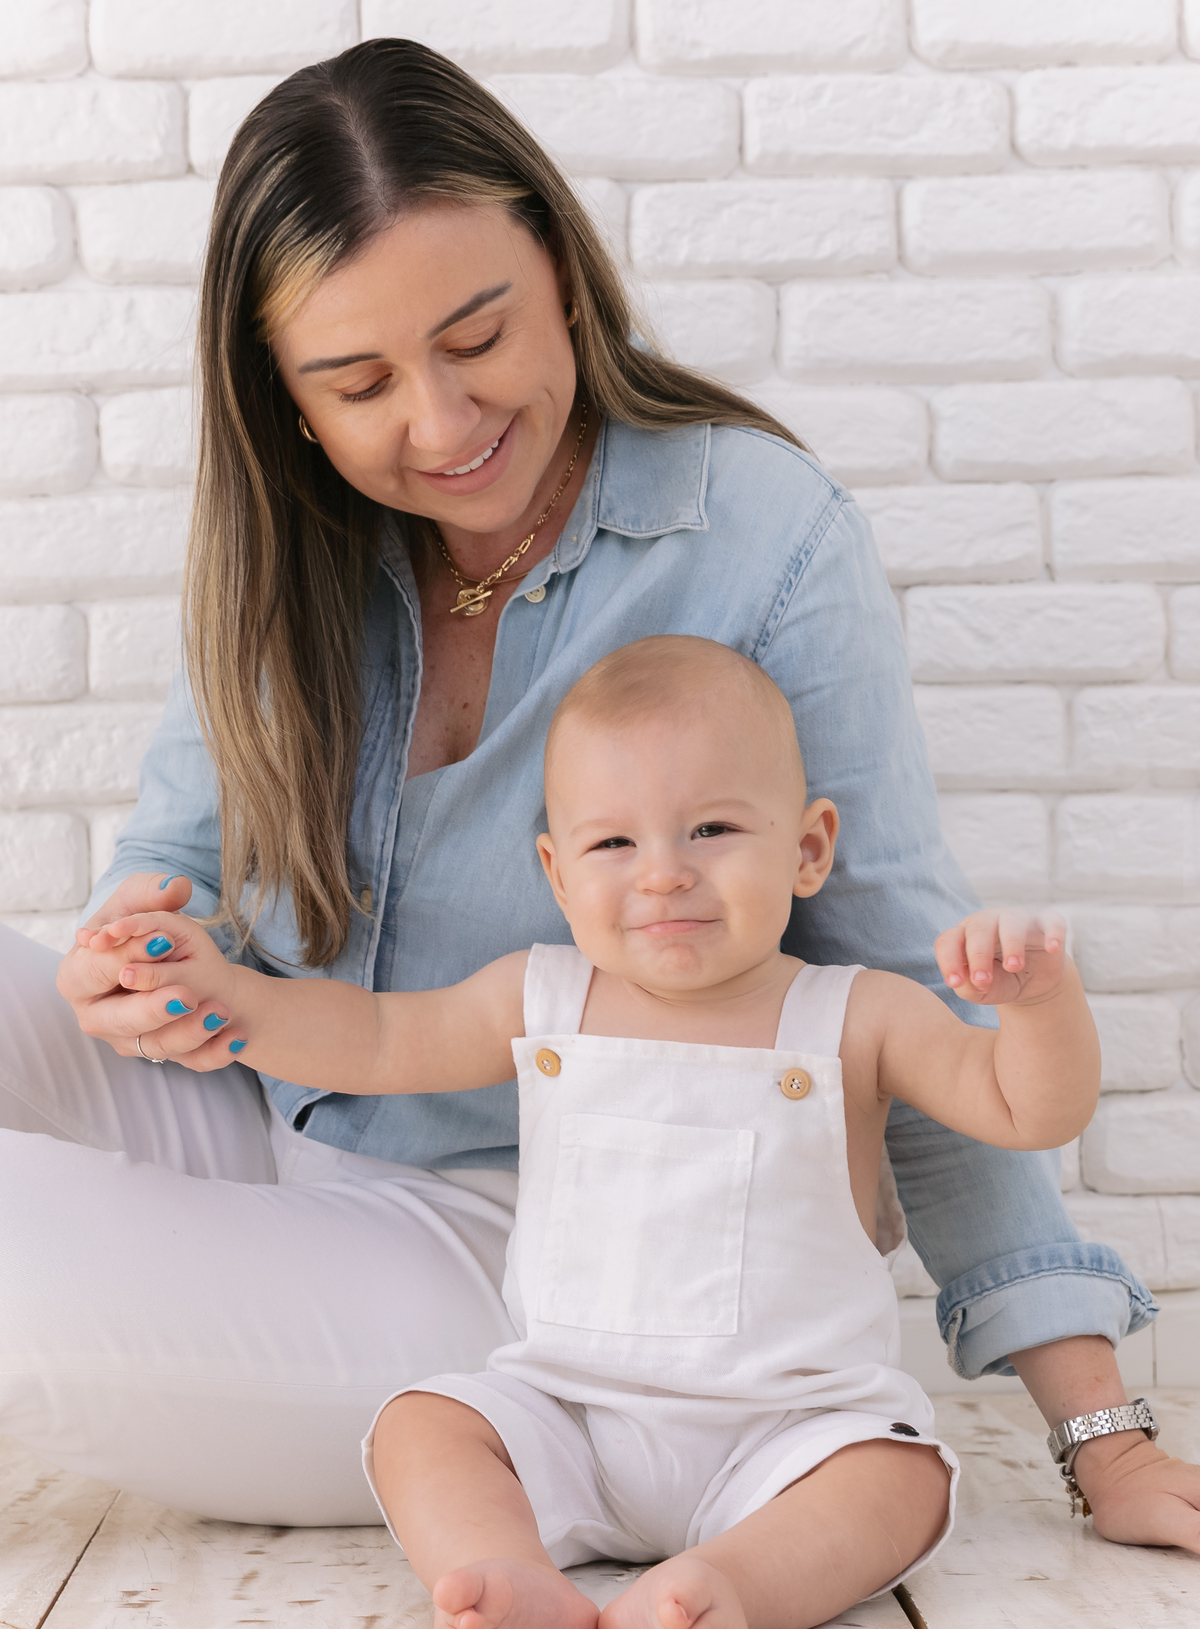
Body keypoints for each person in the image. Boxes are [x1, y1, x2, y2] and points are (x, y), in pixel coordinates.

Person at [3, 38, 1194, 1548]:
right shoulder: (286, 550)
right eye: (360, 383)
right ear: (285, 399)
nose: (440, 425)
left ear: (561, 270)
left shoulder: (757, 536)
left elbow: (903, 978)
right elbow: (172, 853)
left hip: (528, 1257)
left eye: (477, 335)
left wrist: (1099, 1430)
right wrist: (133, 952)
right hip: (257, 1107)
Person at [81, 636, 1103, 1629]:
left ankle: (730, 1586)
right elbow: (374, 1040)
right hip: (571, 1414)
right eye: (614, 842)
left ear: (808, 848)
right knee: (421, 1427)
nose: (664, 870)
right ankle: (514, 1578)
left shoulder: (854, 1015)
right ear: (555, 873)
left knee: (902, 1481)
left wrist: (1037, 1005)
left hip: (790, 1432)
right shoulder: (540, 996)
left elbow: (1029, 1108)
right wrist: (230, 1002)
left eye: (712, 828)